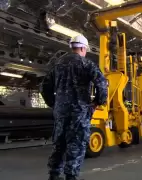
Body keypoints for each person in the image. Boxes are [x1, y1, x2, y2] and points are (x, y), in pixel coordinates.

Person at [40, 35, 108, 180]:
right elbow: (102, 84)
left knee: (59, 143)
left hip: (61, 112)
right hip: (79, 112)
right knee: (76, 143)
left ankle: (54, 174)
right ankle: (71, 176)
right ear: (83, 48)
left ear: (71, 47)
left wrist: (54, 103)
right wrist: (97, 103)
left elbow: (44, 87)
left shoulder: (57, 65)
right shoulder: (87, 64)